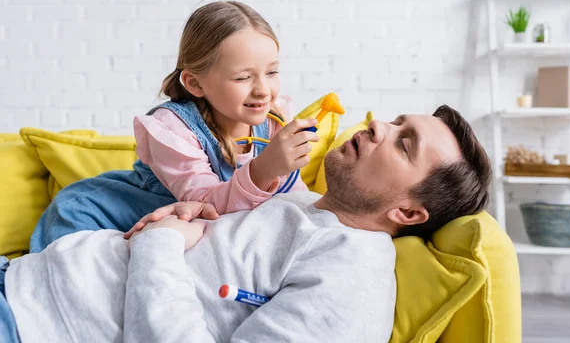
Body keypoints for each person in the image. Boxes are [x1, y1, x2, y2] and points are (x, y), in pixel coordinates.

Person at [1, 104, 492, 343]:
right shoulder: (302, 203)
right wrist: (188, 213)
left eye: (404, 144)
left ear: (408, 214)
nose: (380, 127)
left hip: (32, 324)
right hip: (25, 280)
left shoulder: (354, 278)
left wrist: (162, 241)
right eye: (396, 121)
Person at [29, 1, 317, 253]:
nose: (263, 90)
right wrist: (265, 169)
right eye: (243, 78)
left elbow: (293, 197)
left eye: (272, 72)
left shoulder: (274, 119)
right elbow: (205, 208)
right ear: (195, 83)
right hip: (96, 215)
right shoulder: (171, 127)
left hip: (167, 233)